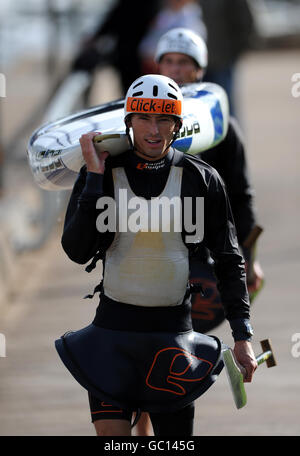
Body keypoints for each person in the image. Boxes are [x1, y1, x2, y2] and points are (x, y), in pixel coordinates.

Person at [56, 74, 257, 436]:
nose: (154, 129)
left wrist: (242, 335)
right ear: (128, 122)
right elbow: (76, 250)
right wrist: (93, 178)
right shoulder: (102, 172)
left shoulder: (202, 179)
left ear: (178, 125)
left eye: (164, 118)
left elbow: (229, 260)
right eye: (144, 118)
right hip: (111, 335)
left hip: (173, 339)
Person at [135, 28, 264, 435]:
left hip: (201, 251)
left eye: (184, 64)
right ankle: (142, 430)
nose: (176, 70)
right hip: (145, 251)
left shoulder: (221, 128)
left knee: (173, 347)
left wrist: (250, 259)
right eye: (169, 62)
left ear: (200, 71)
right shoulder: (139, 123)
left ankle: (203, 367)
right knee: (137, 350)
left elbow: (241, 199)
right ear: (159, 67)